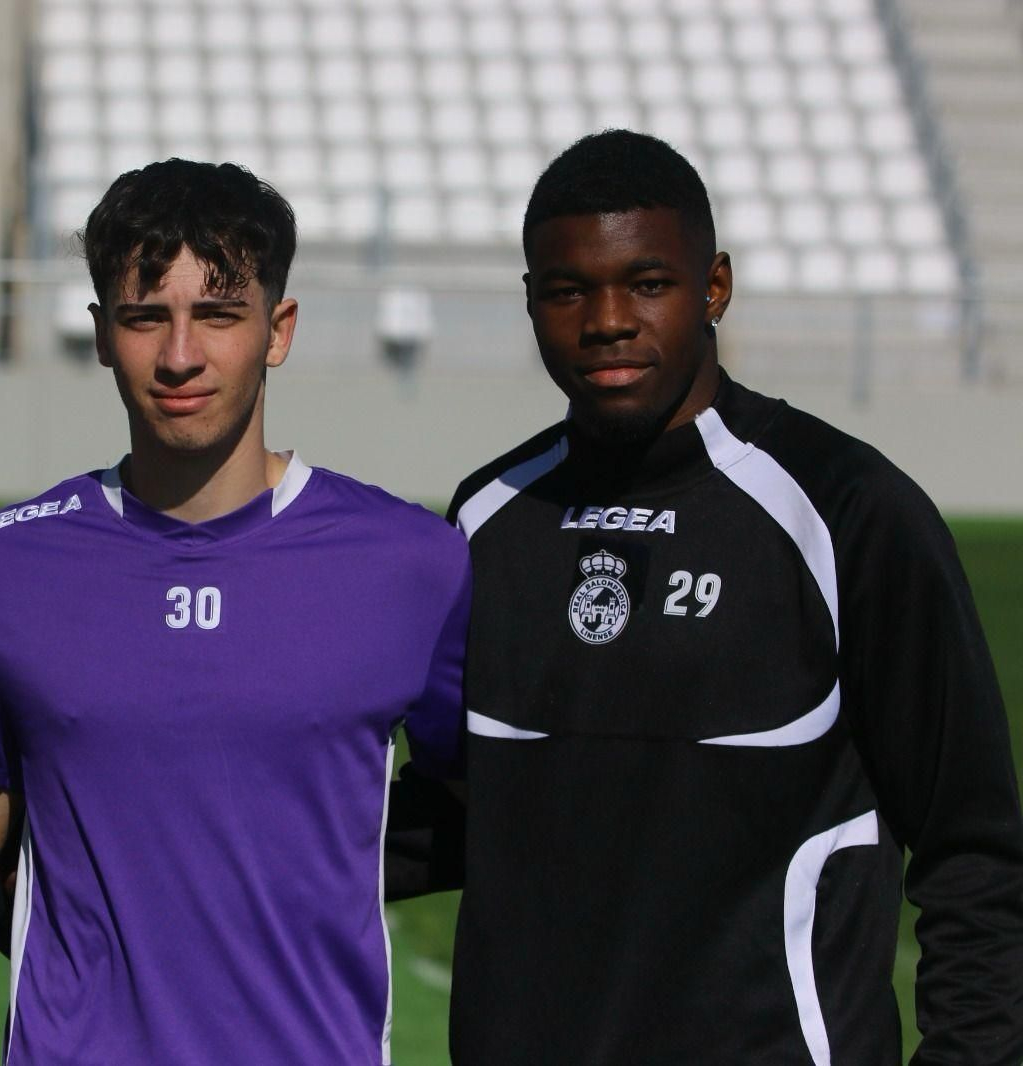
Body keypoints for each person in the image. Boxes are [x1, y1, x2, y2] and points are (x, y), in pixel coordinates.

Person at [436, 130, 1023, 1062]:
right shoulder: (485, 521)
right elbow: (450, 814)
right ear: (532, 302)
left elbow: (976, 848)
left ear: (714, 288)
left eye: (648, 283)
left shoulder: (847, 510)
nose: (608, 320)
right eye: (569, 290)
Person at [0, 159, 470, 1064]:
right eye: (147, 317)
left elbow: (498, 810)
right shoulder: (3, 565)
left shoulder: (412, 564)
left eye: (218, 315)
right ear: (103, 334)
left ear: (279, 329)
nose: (180, 355)